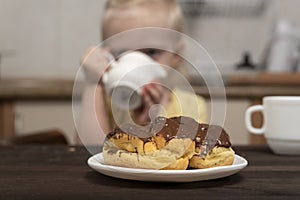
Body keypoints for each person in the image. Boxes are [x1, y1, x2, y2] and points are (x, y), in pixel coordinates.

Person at [76, 0, 208, 145]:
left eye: (151, 52)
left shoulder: (192, 106)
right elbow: (88, 152)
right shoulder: (105, 103)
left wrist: (147, 128)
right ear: (106, 54)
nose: (136, 66)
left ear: (176, 55)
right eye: (122, 53)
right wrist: (93, 83)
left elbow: (187, 158)